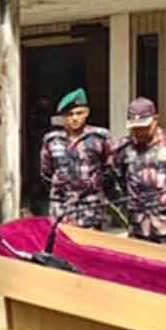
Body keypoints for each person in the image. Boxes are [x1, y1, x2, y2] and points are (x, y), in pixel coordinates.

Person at [111, 97, 166, 248]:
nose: (139, 132)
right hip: (138, 224)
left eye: (143, 126)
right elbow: (120, 179)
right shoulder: (123, 149)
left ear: (155, 120)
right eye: (135, 127)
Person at [41, 88, 115, 228]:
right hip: (61, 208)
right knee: (60, 246)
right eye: (69, 114)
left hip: (90, 208)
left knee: (89, 247)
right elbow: (46, 173)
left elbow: (109, 170)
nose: (74, 118)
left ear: (87, 113)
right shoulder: (52, 140)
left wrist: (94, 189)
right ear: (63, 116)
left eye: (79, 113)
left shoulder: (100, 137)